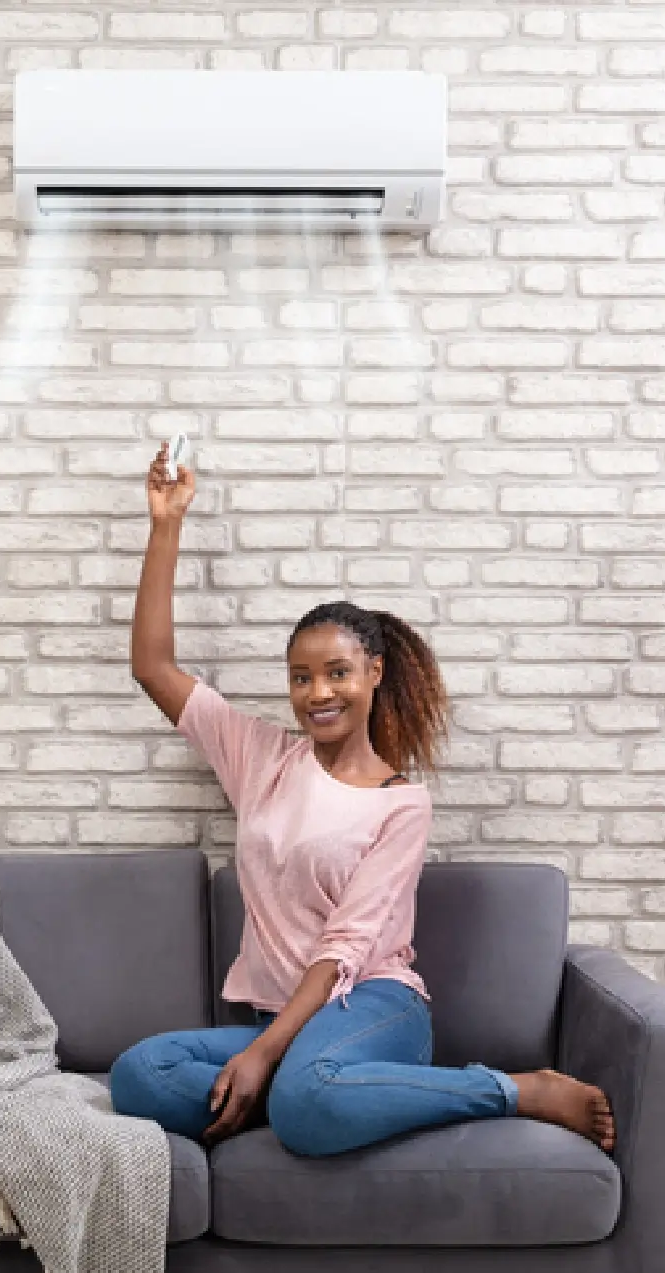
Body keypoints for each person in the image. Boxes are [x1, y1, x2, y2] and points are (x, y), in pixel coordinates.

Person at [109, 441, 616, 1159]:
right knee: (140, 1073)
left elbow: (344, 950)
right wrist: (166, 523)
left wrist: (261, 1057)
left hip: (373, 1007)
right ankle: (309, 1095)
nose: (318, 692)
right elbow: (152, 665)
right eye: (300, 677)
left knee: (303, 1096)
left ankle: (511, 1089)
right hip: (282, 1021)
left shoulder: (400, 805)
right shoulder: (258, 756)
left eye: (337, 672)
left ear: (373, 672)